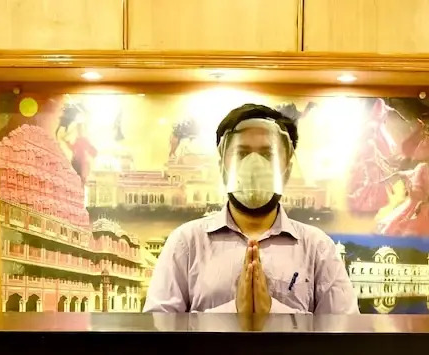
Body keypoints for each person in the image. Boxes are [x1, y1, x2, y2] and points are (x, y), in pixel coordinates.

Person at [143, 104, 358, 315]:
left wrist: (271, 312)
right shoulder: (186, 243)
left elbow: (345, 332)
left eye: (268, 155)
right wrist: (235, 312)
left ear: (287, 170)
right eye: (242, 153)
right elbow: (158, 330)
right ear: (222, 167)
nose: (254, 164)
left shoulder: (318, 248)